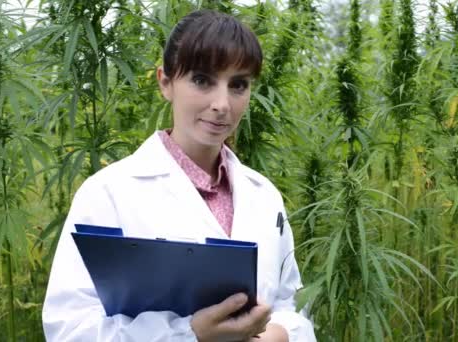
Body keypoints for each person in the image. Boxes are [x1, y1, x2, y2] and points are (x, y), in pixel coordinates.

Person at [42, 9, 316, 341]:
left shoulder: (264, 195)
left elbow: (291, 303)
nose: (222, 104)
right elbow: (70, 330)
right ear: (165, 83)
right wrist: (189, 334)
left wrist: (282, 335)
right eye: (202, 80)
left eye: (238, 85)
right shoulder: (108, 193)